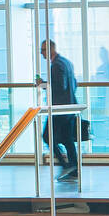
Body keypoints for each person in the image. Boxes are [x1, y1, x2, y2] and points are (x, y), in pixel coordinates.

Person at [38, 39, 79, 182]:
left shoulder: (56, 65)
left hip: (59, 109)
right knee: (68, 139)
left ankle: (65, 164)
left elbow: (59, 87)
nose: (41, 53)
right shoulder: (66, 62)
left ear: (50, 49)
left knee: (47, 136)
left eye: (43, 50)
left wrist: (43, 84)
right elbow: (74, 84)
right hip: (70, 107)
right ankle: (74, 169)